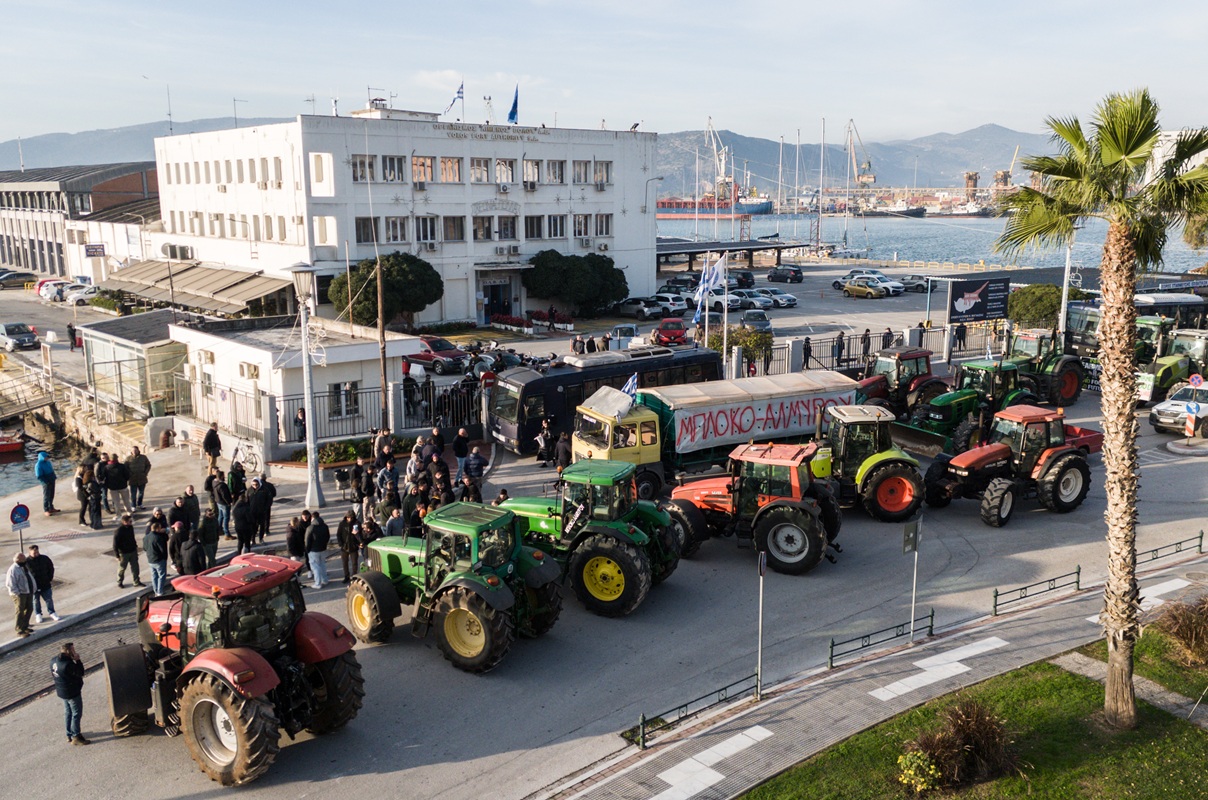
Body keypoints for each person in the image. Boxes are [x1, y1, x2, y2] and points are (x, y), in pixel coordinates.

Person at [51, 643, 88, 745]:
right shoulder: (68, 664)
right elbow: (80, 672)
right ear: (68, 651)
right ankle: (76, 736)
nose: (74, 651)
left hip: (62, 691)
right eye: (73, 650)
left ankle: (69, 734)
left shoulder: (53, 660)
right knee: (76, 713)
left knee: (68, 712)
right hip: (72, 692)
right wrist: (77, 660)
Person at [26, 544, 59, 623]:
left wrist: (49, 578)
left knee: (49, 599)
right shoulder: (27, 562)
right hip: (34, 586)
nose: (36, 554)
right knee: (36, 601)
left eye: (37, 552)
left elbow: (51, 568)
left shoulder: (44, 558)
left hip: (45, 584)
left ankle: (52, 612)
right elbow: (25, 574)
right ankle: (38, 614)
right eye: (34, 553)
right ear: (30, 552)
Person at [7, 552, 35, 637]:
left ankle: (25, 626)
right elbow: (10, 584)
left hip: (28, 591)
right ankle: (19, 629)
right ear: (18, 560)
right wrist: (17, 594)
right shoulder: (13, 569)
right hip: (20, 594)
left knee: (29, 608)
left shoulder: (24, 567)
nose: (25, 561)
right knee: (20, 611)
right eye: (23, 559)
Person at [112, 514, 142, 588]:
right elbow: (115, 544)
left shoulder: (131, 528)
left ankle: (136, 581)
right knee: (122, 568)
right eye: (130, 521)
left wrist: (135, 547)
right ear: (125, 522)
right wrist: (117, 555)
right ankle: (120, 581)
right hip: (124, 553)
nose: (131, 522)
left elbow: (132, 538)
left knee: (135, 567)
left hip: (132, 551)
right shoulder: (119, 531)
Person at [142, 520, 169, 595]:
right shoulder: (158, 538)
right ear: (157, 529)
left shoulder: (146, 537)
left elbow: (144, 548)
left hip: (150, 559)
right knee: (161, 575)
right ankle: (160, 591)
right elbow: (162, 549)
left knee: (154, 575)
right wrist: (164, 558)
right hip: (159, 559)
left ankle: (156, 590)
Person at [304, 512, 331, 589]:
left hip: (313, 550)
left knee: (315, 567)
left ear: (312, 518)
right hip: (322, 548)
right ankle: (325, 580)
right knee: (322, 564)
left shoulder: (310, 528)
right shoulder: (325, 526)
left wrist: (307, 550)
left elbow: (307, 541)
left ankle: (318, 583)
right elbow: (327, 537)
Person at [35, 451, 58, 516]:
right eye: (46, 457)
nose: (47, 458)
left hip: (51, 479)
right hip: (45, 481)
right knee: (46, 496)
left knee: (51, 494)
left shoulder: (48, 462)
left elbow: (51, 470)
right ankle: (46, 509)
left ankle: (51, 507)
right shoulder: (38, 465)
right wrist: (45, 482)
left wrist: (54, 477)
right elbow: (39, 476)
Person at [213, 469, 233, 540]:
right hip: (224, 504)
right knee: (226, 518)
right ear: (221, 477)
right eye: (223, 476)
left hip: (218, 502)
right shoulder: (222, 485)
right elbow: (225, 496)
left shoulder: (214, 482)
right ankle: (227, 534)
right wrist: (229, 502)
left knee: (220, 516)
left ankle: (218, 530)